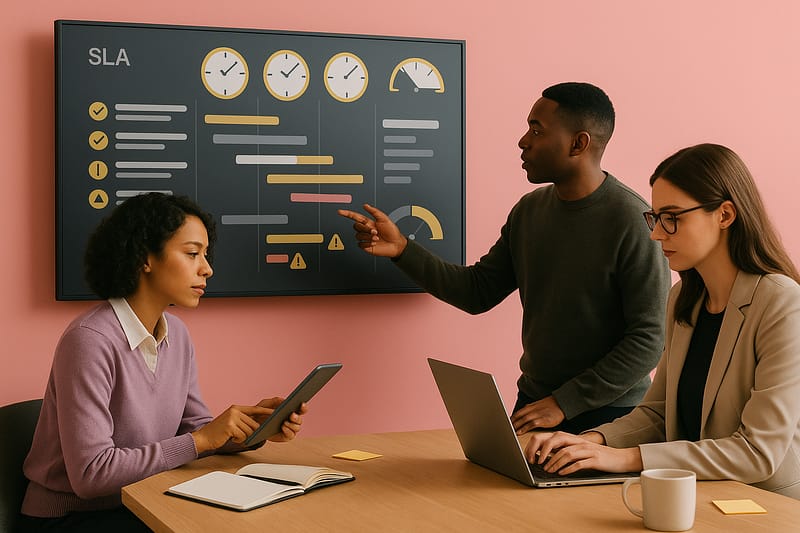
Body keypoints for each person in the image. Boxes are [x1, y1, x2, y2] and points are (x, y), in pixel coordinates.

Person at [339, 82, 671, 434]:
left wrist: (564, 403)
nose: (523, 141)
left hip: (608, 416)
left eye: (537, 130)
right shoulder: (529, 212)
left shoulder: (633, 221)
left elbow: (650, 337)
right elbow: (476, 291)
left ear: (579, 143)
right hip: (534, 404)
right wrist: (403, 250)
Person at [524, 143, 800, 499]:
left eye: (672, 217)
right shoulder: (684, 299)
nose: (656, 234)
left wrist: (625, 458)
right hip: (696, 497)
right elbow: (657, 414)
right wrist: (586, 442)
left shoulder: (782, 303)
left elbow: (757, 453)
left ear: (725, 215)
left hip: (765, 505)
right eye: (655, 218)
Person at [20, 193, 308, 531]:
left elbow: (195, 431)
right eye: (191, 254)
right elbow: (91, 476)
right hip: (73, 517)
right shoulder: (89, 340)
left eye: (205, 254)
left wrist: (250, 431)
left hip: (144, 501)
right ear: (145, 258)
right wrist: (202, 440)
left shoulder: (178, 335)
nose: (207, 268)